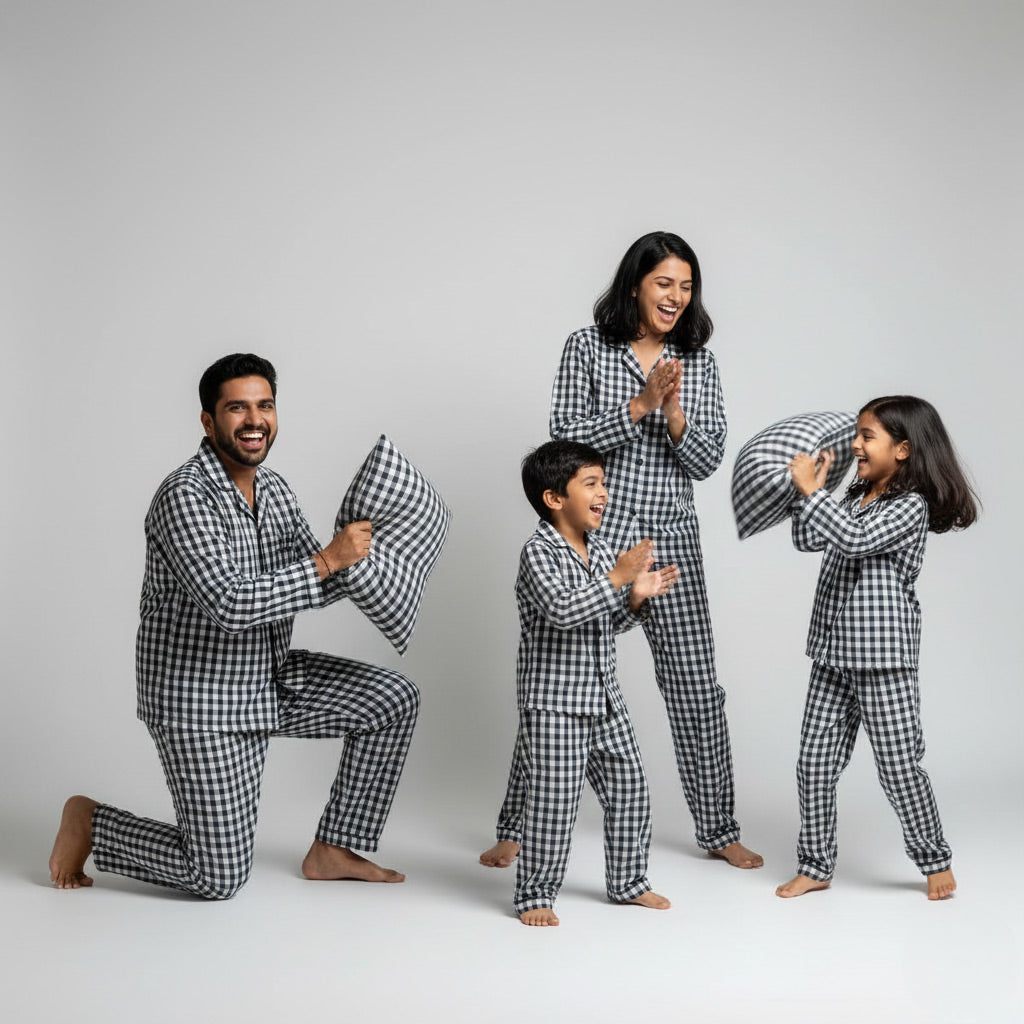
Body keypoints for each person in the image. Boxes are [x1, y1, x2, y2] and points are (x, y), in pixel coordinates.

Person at [49, 353, 419, 898]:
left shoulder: (275, 490)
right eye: (236, 408)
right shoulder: (184, 495)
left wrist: (377, 559)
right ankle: (91, 822)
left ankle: (334, 847)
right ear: (208, 421)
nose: (254, 420)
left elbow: (308, 581)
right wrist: (328, 561)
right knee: (218, 878)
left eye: (265, 405)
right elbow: (230, 602)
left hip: (270, 678)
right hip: (201, 702)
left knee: (394, 698)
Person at [482, 231, 761, 871]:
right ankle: (516, 825)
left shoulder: (701, 361)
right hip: (593, 536)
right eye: (665, 283)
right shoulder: (586, 347)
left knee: (695, 688)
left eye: (686, 286)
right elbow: (562, 442)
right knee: (564, 680)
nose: (676, 297)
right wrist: (639, 403)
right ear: (636, 283)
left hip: (670, 542)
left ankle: (718, 828)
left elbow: (705, 460)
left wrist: (676, 411)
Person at [776, 395, 978, 900]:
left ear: (904, 449)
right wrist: (813, 493)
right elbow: (808, 539)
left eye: (867, 436)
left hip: (881, 660)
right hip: (832, 655)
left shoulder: (908, 507)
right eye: (857, 434)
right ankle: (816, 863)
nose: (855, 445)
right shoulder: (854, 493)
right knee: (814, 763)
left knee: (898, 765)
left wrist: (816, 497)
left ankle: (933, 858)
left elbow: (855, 540)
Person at [509, 440, 677, 926]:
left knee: (631, 789)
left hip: (604, 696)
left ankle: (628, 882)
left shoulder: (601, 547)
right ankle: (536, 894)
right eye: (592, 483)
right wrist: (617, 578)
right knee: (553, 804)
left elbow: (608, 623)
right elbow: (563, 611)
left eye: (603, 482)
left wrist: (636, 597)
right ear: (554, 498)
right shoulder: (537, 553)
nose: (604, 492)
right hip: (555, 703)